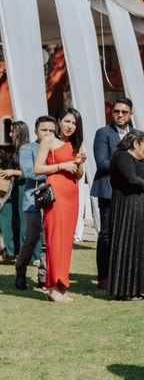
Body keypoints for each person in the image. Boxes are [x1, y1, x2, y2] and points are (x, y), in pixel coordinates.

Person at [91, 97, 144, 289]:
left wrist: (127, 167)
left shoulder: (137, 135)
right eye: (117, 111)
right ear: (112, 112)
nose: (120, 115)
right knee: (107, 233)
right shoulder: (103, 133)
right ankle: (104, 276)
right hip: (108, 189)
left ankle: (123, 275)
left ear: (131, 114)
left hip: (131, 192)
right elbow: (101, 162)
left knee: (126, 233)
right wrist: (127, 165)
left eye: (124, 112)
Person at [34, 108, 86, 303]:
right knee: (55, 240)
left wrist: (79, 163)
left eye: (74, 123)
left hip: (72, 194)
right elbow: (37, 168)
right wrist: (61, 166)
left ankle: (60, 286)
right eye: (67, 121)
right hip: (56, 194)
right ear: (59, 121)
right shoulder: (48, 140)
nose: (70, 126)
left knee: (66, 241)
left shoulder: (76, 145)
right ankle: (54, 287)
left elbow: (79, 175)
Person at [108, 131, 144, 300]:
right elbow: (131, 179)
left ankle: (133, 288)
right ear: (135, 144)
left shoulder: (132, 160)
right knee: (128, 244)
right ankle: (124, 290)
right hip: (128, 206)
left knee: (137, 245)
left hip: (136, 206)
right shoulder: (123, 156)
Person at [14, 116, 55, 290]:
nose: (48, 133)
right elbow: (29, 172)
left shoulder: (57, 148)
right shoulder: (27, 148)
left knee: (48, 241)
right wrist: (54, 171)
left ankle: (43, 276)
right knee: (31, 238)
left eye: (51, 130)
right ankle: (20, 270)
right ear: (36, 131)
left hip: (54, 198)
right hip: (33, 198)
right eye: (44, 130)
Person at [0, 121, 30, 258]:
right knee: (5, 214)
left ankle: (24, 253)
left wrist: (13, 171)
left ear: (20, 132)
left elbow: (32, 171)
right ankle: (11, 249)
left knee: (23, 221)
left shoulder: (27, 149)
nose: (10, 134)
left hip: (25, 188)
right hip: (15, 188)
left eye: (12, 131)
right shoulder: (17, 149)